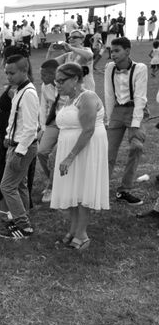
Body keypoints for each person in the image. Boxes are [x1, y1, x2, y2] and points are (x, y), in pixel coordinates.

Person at [50, 63, 109, 250]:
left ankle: (82, 234)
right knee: (72, 189)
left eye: (61, 81)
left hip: (87, 149)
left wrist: (70, 157)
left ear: (75, 79)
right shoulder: (68, 99)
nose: (58, 85)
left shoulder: (87, 97)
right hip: (70, 148)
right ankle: (74, 229)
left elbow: (88, 130)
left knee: (83, 189)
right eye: (56, 81)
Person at [0, 54, 40, 239]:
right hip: (15, 144)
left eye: (12, 73)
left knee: (7, 186)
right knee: (20, 185)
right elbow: (16, 120)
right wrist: (8, 137)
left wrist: (19, 152)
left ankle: (24, 226)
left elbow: (31, 128)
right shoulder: (19, 90)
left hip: (23, 147)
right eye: (6, 73)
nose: (8, 77)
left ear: (24, 70)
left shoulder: (29, 93)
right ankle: (22, 217)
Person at [104, 37, 148, 206]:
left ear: (127, 51)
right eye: (111, 51)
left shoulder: (140, 68)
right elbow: (108, 94)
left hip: (135, 109)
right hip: (116, 110)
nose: (112, 54)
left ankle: (124, 190)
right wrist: (109, 118)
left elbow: (140, 97)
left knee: (136, 146)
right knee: (108, 152)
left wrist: (136, 123)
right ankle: (101, 187)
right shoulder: (109, 68)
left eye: (116, 51)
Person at [37, 59, 61, 203]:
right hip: (53, 123)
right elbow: (43, 107)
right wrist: (43, 128)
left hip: (69, 125)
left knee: (55, 155)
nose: (42, 77)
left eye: (45, 75)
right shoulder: (44, 86)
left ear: (55, 74)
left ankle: (52, 186)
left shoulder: (67, 85)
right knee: (42, 152)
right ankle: (54, 180)